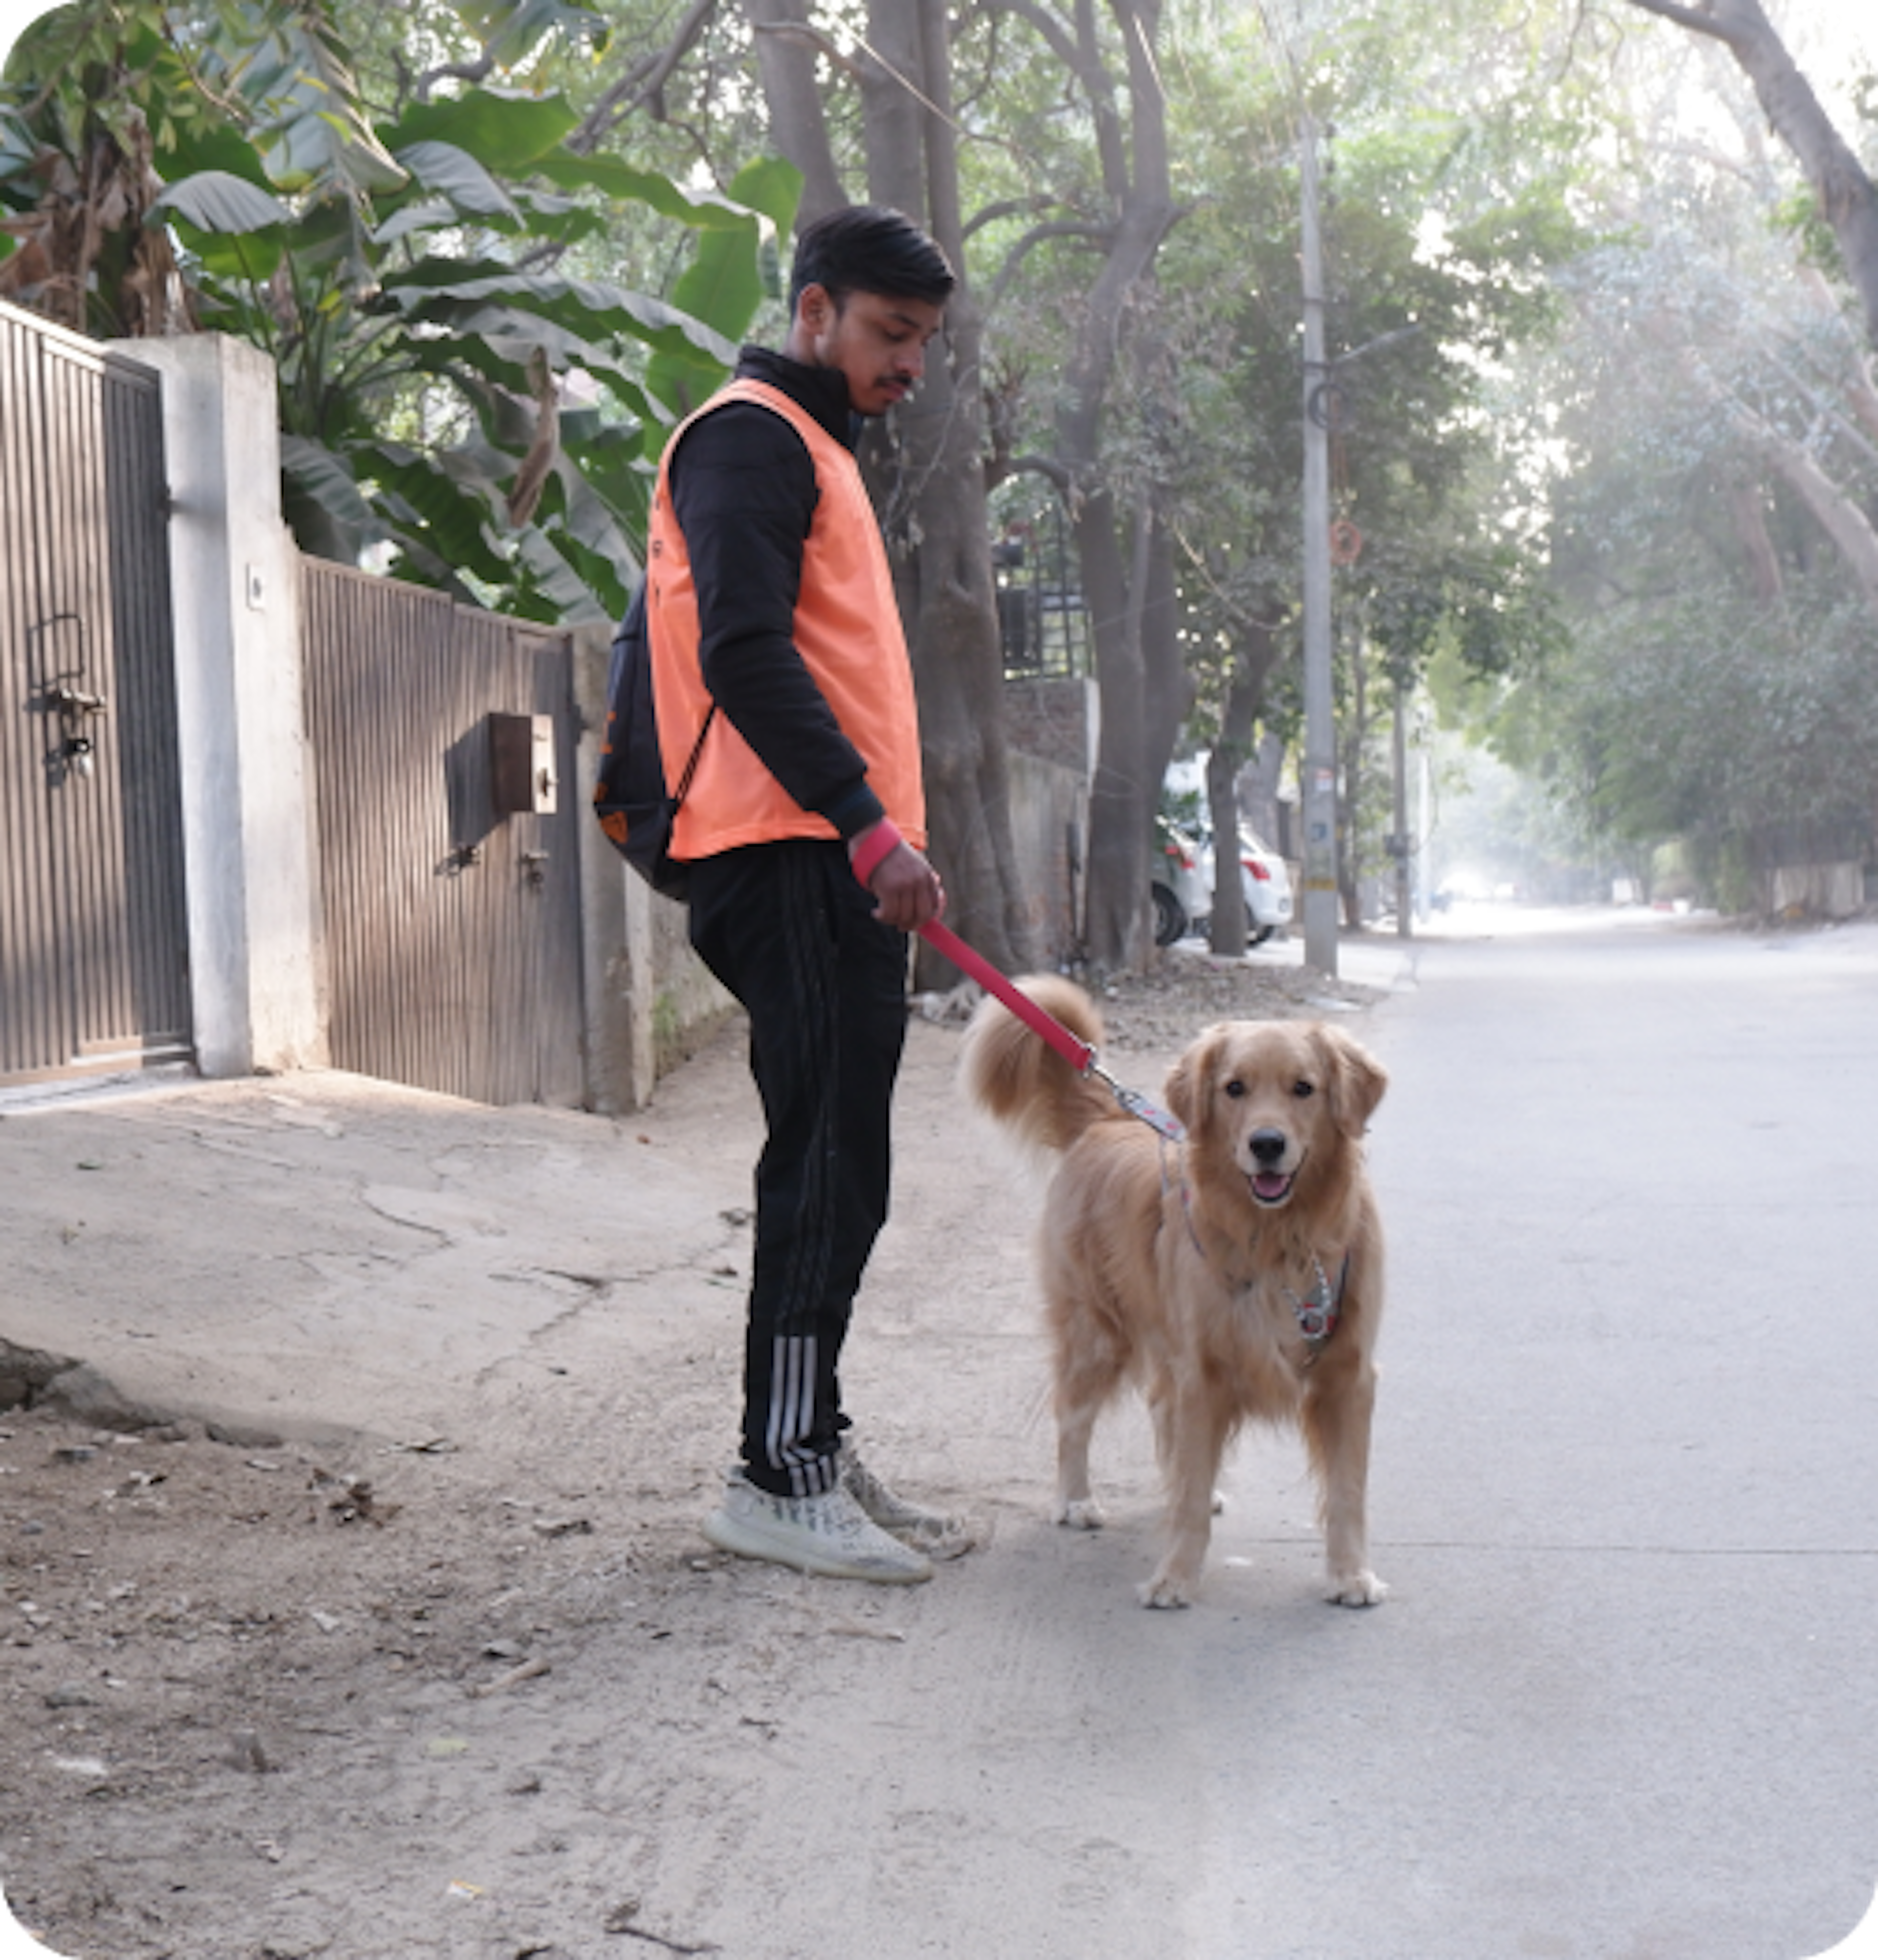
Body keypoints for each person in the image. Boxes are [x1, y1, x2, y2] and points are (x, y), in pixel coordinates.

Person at [644, 205, 969, 1584]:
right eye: (892, 335)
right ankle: (774, 1474)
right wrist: (864, 829)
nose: (910, 366)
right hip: (786, 849)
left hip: (819, 856)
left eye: (924, 344)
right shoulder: (749, 437)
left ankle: (810, 1444)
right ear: (816, 310)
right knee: (825, 1162)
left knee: (850, 1163)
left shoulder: (817, 450)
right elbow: (741, 650)